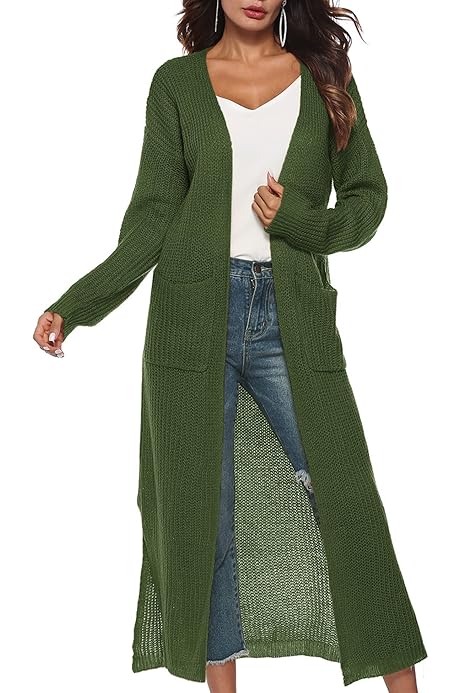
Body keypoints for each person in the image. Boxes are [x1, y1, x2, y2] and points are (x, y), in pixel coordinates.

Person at [34, 2, 427, 692]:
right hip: (191, 321)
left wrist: (299, 220)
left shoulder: (324, 77)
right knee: (202, 521)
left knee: (349, 505)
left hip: (294, 318)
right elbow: (152, 218)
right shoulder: (177, 85)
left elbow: (367, 199)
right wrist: (78, 304)